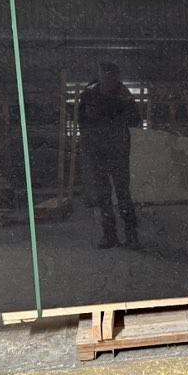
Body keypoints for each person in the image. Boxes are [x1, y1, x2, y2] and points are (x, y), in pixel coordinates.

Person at [78, 62, 142, 249]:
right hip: (97, 152)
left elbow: (136, 120)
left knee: (123, 193)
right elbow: (81, 121)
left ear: (116, 77)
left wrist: (124, 105)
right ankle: (109, 235)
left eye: (112, 77)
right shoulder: (90, 94)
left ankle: (131, 234)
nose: (108, 81)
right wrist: (88, 143)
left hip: (117, 151)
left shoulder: (123, 94)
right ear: (100, 76)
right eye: (105, 77)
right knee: (103, 195)